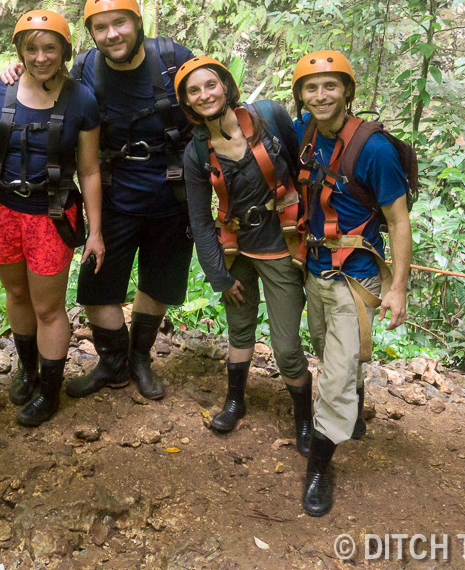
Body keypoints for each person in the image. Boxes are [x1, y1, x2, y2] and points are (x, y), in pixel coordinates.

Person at [0, 0, 194, 400]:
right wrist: (18, 68)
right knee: (96, 288)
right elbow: (47, 80)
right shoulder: (86, 68)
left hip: (172, 195)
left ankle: (139, 359)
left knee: (156, 285)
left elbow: (208, 98)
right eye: (100, 28)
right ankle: (113, 363)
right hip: (115, 192)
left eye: (120, 23)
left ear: (138, 23)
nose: (112, 34)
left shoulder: (172, 59)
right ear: (89, 35)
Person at [291, 50, 412, 517]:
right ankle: (353, 409)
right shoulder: (305, 134)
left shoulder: (373, 149)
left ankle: (320, 468)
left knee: (335, 377)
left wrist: (397, 287)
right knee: (328, 352)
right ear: (301, 95)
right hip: (316, 268)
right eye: (312, 87)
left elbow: (399, 221)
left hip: (354, 277)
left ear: (347, 92)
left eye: (330, 86)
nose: (321, 95)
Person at [175, 57, 313, 451]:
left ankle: (305, 419)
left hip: (280, 248)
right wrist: (218, 274)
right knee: (239, 330)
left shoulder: (268, 115)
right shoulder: (197, 152)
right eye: (194, 91)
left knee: (286, 348)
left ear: (225, 85)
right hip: (235, 250)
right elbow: (200, 220)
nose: (205, 95)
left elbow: (301, 170)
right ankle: (235, 400)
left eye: (210, 85)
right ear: (187, 101)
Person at [0, 10, 104, 426]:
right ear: (18, 51)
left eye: (50, 47)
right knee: (17, 296)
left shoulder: (81, 99)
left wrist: (96, 232)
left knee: (48, 307)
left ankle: (49, 392)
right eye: (30, 48)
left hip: (50, 215)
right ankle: (28, 369)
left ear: (65, 51)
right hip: (2, 212)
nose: (40, 57)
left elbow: (89, 170)